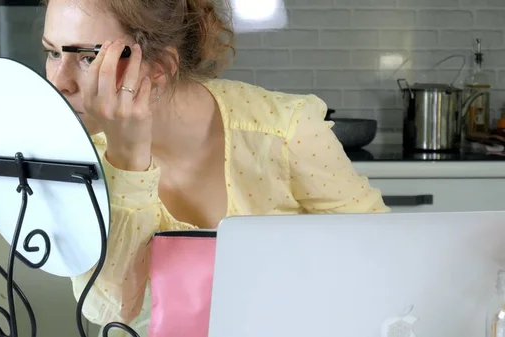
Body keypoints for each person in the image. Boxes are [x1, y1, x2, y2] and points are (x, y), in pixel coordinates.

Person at [41, 0, 390, 334]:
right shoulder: (82, 157)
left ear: (159, 67)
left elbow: (383, 258)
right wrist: (127, 159)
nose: (58, 83)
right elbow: (111, 311)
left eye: (87, 58)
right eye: (52, 53)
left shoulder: (283, 132)